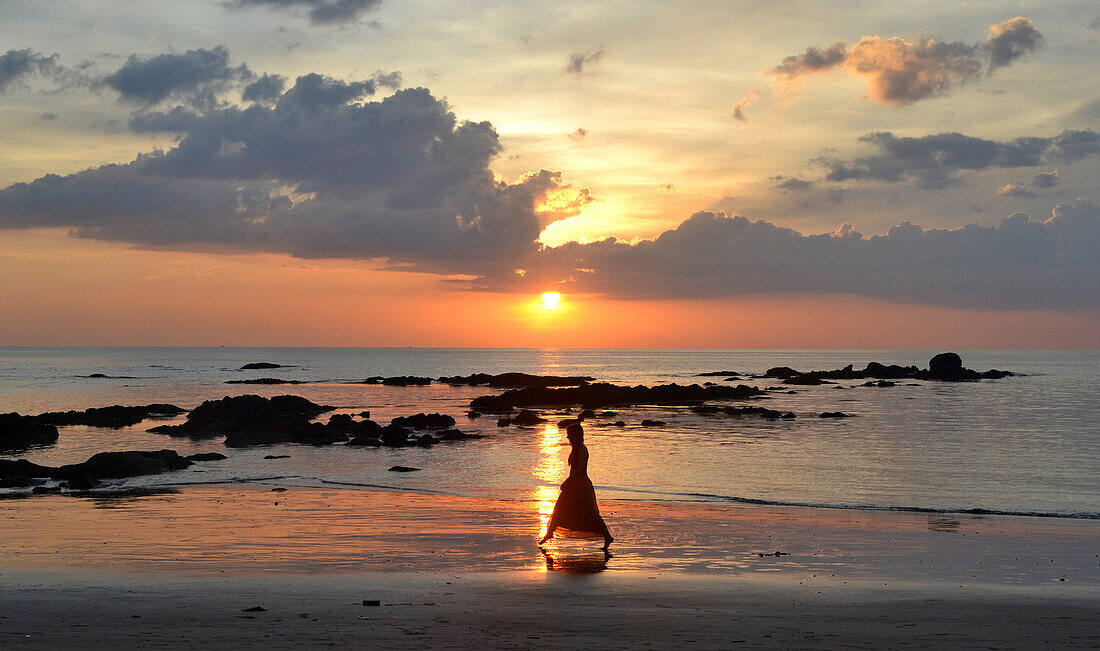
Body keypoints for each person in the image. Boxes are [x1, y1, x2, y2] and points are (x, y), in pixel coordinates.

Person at [538, 423, 614, 549]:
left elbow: (579, 469)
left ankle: (607, 537)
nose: (568, 437)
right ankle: (549, 533)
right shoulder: (575, 449)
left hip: (581, 485)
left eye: (570, 435)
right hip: (573, 484)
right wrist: (569, 482)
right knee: (559, 509)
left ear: (576, 435)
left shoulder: (583, 449)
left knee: (590, 514)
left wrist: (567, 481)